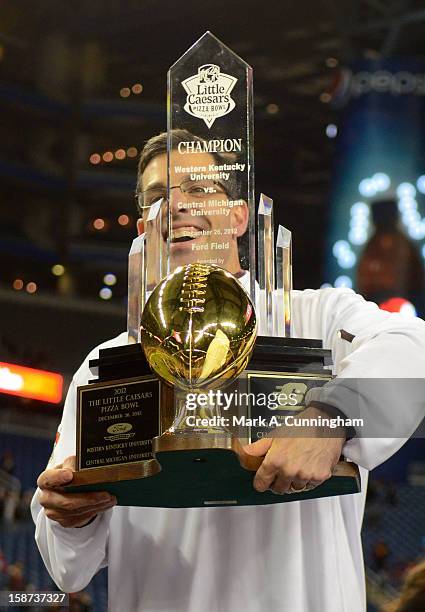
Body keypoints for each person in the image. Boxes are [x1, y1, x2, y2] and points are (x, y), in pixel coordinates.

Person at [31, 131, 425, 612]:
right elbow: (66, 567)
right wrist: (68, 518)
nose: (176, 205)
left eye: (197, 188)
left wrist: (330, 417)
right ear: (142, 228)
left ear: (240, 216)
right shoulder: (105, 362)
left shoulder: (317, 317)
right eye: (158, 196)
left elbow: (413, 348)